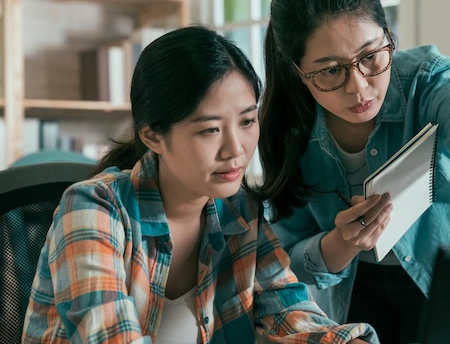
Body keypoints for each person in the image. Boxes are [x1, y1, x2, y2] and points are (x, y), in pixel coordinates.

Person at [21, 25, 379, 344]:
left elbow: (291, 313)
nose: (235, 150)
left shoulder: (240, 212)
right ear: (153, 135)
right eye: (210, 129)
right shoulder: (92, 210)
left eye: (247, 121)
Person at [256, 0, 450, 344]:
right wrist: (342, 243)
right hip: (354, 290)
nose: (359, 87)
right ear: (297, 71)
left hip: (446, 278)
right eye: (330, 71)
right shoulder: (286, 126)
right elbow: (286, 262)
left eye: (371, 56)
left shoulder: (432, 81)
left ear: (388, 35)